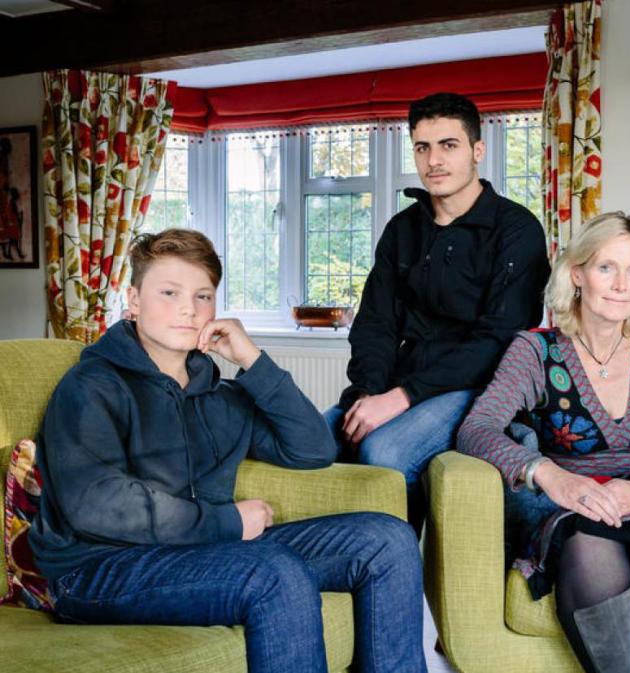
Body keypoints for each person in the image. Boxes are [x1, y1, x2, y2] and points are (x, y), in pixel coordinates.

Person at [29, 229, 427, 673]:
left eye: (203, 296)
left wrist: (253, 360)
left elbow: (314, 447)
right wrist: (228, 521)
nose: (188, 308)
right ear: (134, 300)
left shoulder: (220, 396)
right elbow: (98, 505)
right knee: (271, 570)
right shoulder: (92, 386)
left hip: (203, 553)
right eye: (169, 292)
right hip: (98, 567)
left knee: (389, 540)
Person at [458, 213, 630, 673]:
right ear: (577, 274)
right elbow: (476, 428)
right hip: (569, 511)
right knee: (593, 549)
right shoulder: (535, 351)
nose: (620, 285)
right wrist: (551, 476)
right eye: (606, 267)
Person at [324, 92, 549, 529]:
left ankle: (396, 575)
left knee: (383, 452)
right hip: (399, 380)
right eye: (423, 147)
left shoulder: (517, 229)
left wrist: (402, 398)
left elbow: (499, 340)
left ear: (477, 151)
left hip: (476, 386)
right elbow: (375, 324)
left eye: (449, 145)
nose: (434, 160)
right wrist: (369, 394)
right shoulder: (402, 229)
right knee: (310, 439)